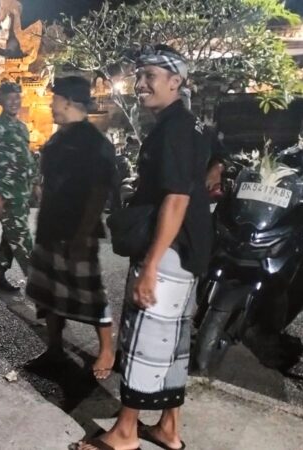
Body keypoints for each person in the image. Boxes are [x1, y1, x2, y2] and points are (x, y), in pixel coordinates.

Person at [74, 45, 212, 450]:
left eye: (150, 76)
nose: (140, 84)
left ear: (175, 81)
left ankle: (124, 432)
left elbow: (177, 199)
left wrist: (150, 266)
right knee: (173, 341)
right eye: (139, 76)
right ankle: (169, 427)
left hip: (168, 251)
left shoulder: (173, 130)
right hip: (189, 248)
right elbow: (208, 170)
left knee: (144, 340)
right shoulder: (191, 125)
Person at [25, 76, 117, 380]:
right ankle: (54, 348)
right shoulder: (57, 139)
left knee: (90, 291)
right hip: (51, 226)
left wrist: (82, 233)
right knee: (48, 291)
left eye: (54, 100)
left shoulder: (93, 142)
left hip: (76, 231)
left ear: (67, 101)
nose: (51, 106)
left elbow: (99, 192)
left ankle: (106, 350)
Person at [0, 81, 38, 292]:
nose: (14, 102)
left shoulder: (22, 128)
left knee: (11, 232)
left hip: (22, 191)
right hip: (5, 193)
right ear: (0, 100)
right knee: (21, 236)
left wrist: (35, 183)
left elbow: (27, 157)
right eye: (9, 98)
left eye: (17, 97)